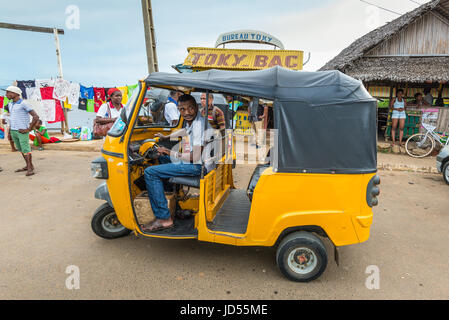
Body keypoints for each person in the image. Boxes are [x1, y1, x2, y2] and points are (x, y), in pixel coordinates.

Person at [142, 94, 212, 232]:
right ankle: (172, 204)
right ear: (178, 110)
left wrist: (169, 152)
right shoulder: (194, 121)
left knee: (150, 172)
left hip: (198, 166)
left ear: (196, 107)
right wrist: (166, 136)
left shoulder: (198, 126)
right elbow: (185, 130)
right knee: (161, 159)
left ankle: (164, 219)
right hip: (199, 162)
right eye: (182, 109)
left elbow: (194, 157)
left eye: (190, 108)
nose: (187, 112)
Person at [5, 86, 39, 176]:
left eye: (8, 92)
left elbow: (36, 117)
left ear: (16, 93)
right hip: (14, 130)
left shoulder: (24, 103)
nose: (6, 94)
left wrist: (29, 129)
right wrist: (10, 132)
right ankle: (29, 166)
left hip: (22, 131)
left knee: (26, 149)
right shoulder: (10, 104)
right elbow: (12, 118)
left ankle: (30, 169)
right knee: (21, 149)